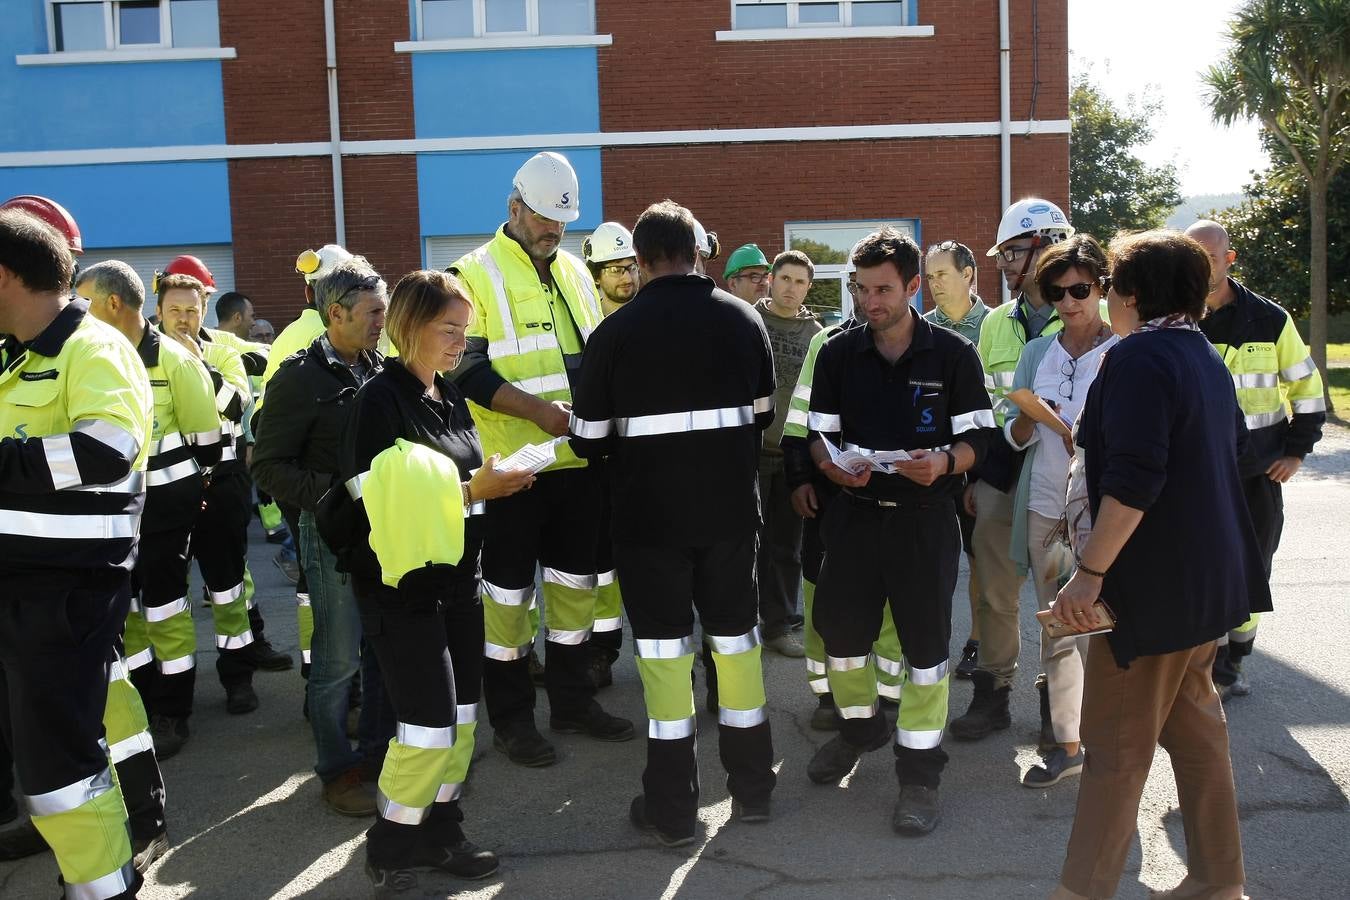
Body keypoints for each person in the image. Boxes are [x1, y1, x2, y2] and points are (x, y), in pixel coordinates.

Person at [1047, 230, 1269, 900]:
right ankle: (1218, 880)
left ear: (1132, 294)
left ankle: (1082, 892)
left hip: (1150, 596)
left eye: (1110, 283)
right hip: (1206, 587)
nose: (1108, 296)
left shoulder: (1139, 357)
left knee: (1114, 752)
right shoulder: (1201, 354)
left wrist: (1088, 574)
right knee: (1198, 735)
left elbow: (1135, 481)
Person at [569, 199, 778, 844]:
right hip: (728, 518)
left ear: (639, 260)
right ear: (698, 251)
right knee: (737, 648)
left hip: (648, 524)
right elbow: (763, 415)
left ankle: (673, 809)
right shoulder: (745, 321)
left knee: (664, 660)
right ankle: (753, 790)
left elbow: (588, 438)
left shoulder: (614, 333)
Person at [340, 270, 534, 888]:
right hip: (404, 592)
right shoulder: (379, 400)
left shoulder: (447, 397)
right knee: (426, 725)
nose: (460, 343)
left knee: (461, 719)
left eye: (465, 332)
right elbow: (374, 500)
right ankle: (392, 844)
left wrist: (491, 481)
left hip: (458, 583)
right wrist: (474, 487)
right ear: (407, 327)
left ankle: (442, 832)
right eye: (449, 330)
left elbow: (452, 483)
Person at [804, 227, 997, 836]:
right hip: (855, 519)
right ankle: (861, 731)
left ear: (913, 288)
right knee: (839, 638)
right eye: (861, 289)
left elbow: (981, 440)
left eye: (883, 289)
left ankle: (919, 776)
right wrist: (829, 465)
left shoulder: (952, 356)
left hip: (923, 523)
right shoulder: (838, 353)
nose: (870, 302)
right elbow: (818, 433)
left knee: (925, 655)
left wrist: (944, 462)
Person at [449, 151, 632, 767]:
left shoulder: (578, 271)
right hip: (511, 471)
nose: (554, 234)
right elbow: (464, 370)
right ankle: (512, 719)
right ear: (514, 208)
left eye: (562, 225)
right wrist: (539, 414)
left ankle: (575, 700)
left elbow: (597, 355)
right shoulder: (473, 274)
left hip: (579, 466)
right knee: (506, 597)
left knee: (575, 587)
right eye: (544, 222)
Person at [0, 205, 151, 899]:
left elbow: (107, 448)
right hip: (26, 589)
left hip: (64, 593)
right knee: (43, 760)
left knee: (63, 769)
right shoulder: (20, 354)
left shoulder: (93, 348)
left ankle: (104, 889)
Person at [251, 257, 393, 817]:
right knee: (337, 661)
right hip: (331, 531)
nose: (383, 321)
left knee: (381, 649)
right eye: (373, 312)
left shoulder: (378, 367)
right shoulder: (297, 378)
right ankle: (338, 772)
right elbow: (267, 466)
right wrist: (336, 494)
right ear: (334, 314)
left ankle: (382, 759)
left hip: (387, 530)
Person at [77, 262, 222, 762]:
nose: (77, 311)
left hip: (164, 507)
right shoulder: (94, 355)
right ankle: (142, 694)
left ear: (114, 303)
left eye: (85, 301)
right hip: (113, 507)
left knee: (163, 605)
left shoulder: (176, 361)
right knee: (128, 609)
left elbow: (208, 439)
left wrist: (190, 483)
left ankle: (174, 710)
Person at [953, 198, 1077, 748]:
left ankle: (1061, 711)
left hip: (1062, 481)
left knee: (1060, 597)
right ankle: (993, 694)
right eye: (1002, 254)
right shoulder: (997, 323)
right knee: (994, 593)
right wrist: (975, 478)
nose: (1002, 264)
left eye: (1012, 252)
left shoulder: (1082, 314)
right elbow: (984, 409)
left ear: (1048, 246)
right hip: (1001, 475)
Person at [1185, 220, 1326, 699]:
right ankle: (1211, 664)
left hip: (1256, 475)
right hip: (1200, 475)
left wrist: (1295, 451)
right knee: (1205, 567)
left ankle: (1234, 661)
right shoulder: (1179, 319)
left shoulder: (1269, 319)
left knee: (1253, 569)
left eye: (1210, 256)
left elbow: (1306, 390)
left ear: (1230, 259)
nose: (1202, 265)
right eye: (1192, 255)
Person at [1002, 236, 1118, 788]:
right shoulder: (1036, 353)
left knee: (1108, 628)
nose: (1069, 302)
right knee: (1057, 628)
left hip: (1102, 515)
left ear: (1102, 286)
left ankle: (1112, 743)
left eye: (1080, 289)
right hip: (1047, 509)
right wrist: (1028, 420)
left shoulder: (1123, 350)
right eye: (1057, 292)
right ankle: (1068, 745)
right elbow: (1014, 434)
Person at [921, 240, 991, 679]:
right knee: (932, 559)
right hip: (933, 464)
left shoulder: (995, 326)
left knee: (981, 558)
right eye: (928, 278)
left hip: (980, 462)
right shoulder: (921, 327)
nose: (934, 286)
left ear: (968, 274)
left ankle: (978, 643)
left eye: (941, 275)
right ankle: (930, 640)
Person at [752, 250, 821, 657]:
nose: (791, 288)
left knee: (786, 546)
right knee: (745, 543)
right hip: (751, 453)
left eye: (800, 282)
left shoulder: (816, 333)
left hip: (792, 456)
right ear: (771, 281)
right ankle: (742, 624)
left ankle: (777, 625)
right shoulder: (748, 320)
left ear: (808, 288)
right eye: (785, 279)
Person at [579, 221, 638, 686]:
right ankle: (600, 651)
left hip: (640, 459)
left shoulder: (647, 316)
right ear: (595, 273)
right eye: (616, 268)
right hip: (595, 459)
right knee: (599, 564)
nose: (627, 277)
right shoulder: (583, 320)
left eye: (632, 266)